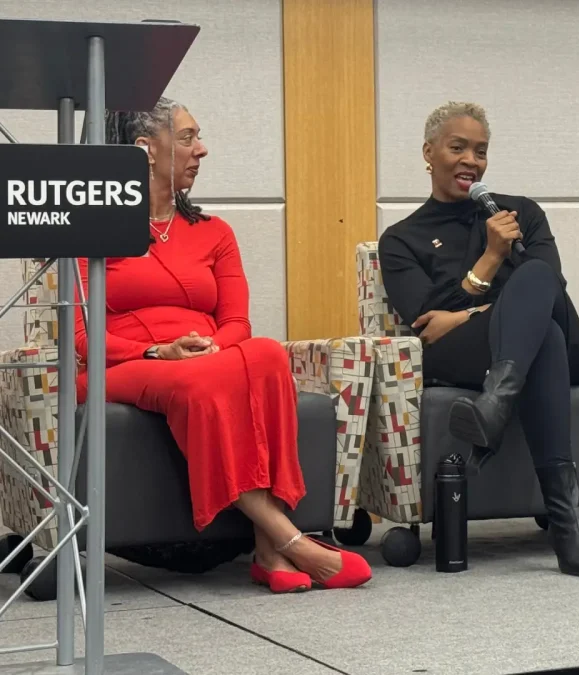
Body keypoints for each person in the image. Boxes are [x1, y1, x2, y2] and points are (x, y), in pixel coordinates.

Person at [74, 97, 371, 594]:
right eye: (188, 137)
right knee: (209, 376)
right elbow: (82, 336)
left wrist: (208, 346)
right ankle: (287, 540)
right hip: (125, 363)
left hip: (204, 356)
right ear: (146, 149)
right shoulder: (94, 227)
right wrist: (159, 351)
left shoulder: (215, 232)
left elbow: (236, 322)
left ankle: (268, 554)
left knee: (268, 354)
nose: (201, 149)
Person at [378, 101, 579, 578]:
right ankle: (568, 521)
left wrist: (466, 308)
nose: (471, 161)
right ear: (429, 152)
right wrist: (491, 258)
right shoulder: (401, 239)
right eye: (457, 148)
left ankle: (495, 404)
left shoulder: (521, 213)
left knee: (538, 286)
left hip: (558, 343)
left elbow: (549, 288)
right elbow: (425, 321)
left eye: (480, 151)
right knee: (536, 339)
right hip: (468, 356)